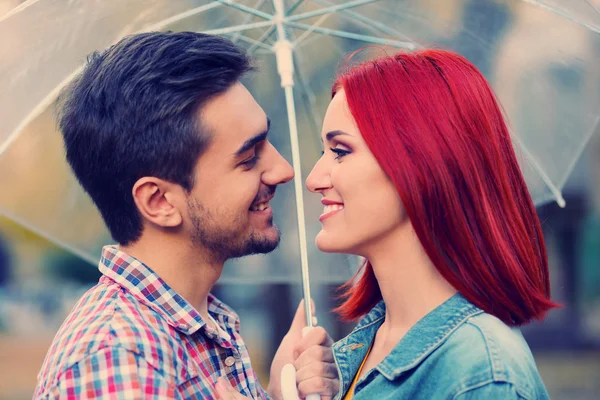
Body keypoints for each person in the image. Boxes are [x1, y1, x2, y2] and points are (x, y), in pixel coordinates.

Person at [34, 32, 338, 400]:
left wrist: (277, 394)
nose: (284, 170)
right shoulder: (121, 359)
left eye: (267, 143)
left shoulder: (199, 323)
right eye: (247, 159)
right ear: (160, 200)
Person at [302, 49, 557, 399]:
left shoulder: (481, 372)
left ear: (419, 163)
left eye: (340, 151)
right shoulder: (355, 355)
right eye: (323, 153)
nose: (314, 179)